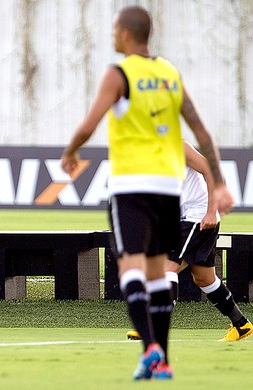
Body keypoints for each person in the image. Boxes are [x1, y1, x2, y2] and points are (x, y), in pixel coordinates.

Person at [60, 6, 234, 381]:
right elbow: (202, 133)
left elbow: (91, 122)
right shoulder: (169, 74)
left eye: (113, 30)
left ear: (125, 33)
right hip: (168, 193)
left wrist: (71, 151)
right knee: (159, 273)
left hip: (131, 188)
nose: (111, 35)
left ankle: (150, 347)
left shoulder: (118, 74)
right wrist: (218, 183)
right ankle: (164, 360)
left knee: (130, 269)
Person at [126, 141, 252, 342]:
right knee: (204, 278)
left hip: (199, 216)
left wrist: (212, 211)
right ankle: (241, 324)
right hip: (185, 219)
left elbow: (210, 171)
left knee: (165, 268)